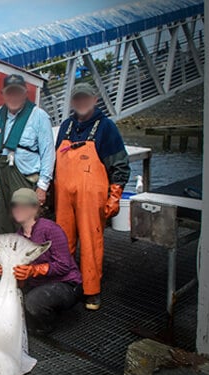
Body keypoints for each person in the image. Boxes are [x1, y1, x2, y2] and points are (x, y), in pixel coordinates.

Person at [54, 83, 130, 310]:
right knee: (62, 241)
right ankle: (65, 285)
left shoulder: (106, 127)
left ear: (95, 99)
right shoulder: (66, 126)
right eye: (77, 98)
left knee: (91, 243)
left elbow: (121, 166)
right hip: (63, 197)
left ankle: (91, 291)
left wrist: (114, 196)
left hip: (91, 198)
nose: (81, 102)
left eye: (86, 98)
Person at [0, 188, 83, 335]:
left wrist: (34, 270)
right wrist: (9, 270)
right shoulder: (18, 236)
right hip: (36, 284)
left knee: (34, 302)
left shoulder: (51, 229)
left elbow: (64, 265)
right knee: (2, 293)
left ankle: (46, 325)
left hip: (65, 283)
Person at [0, 74, 56, 235]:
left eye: (17, 92)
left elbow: (48, 152)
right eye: (9, 92)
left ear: (25, 93)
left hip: (25, 179)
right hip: (2, 176)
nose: (13, 96)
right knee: (4, 221)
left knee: (27, 224)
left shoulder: (39, 116)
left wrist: (42, 187)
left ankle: (31, 259)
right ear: (3, 94)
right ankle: (7, 258)